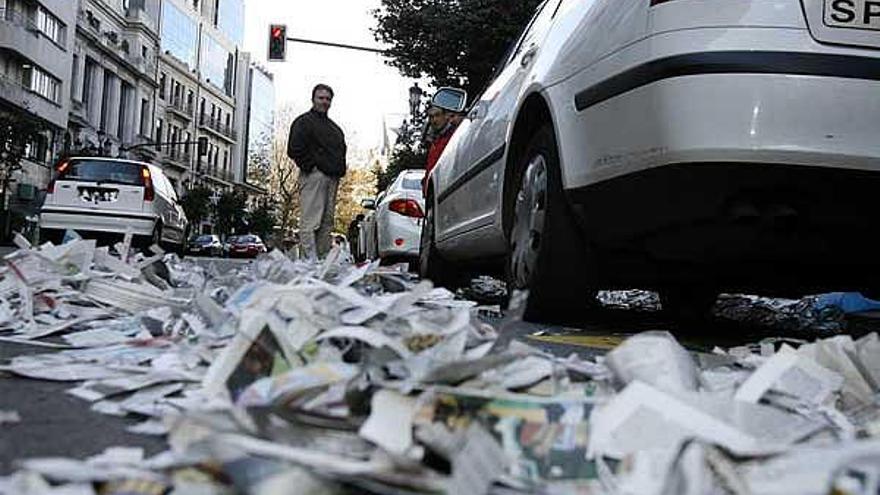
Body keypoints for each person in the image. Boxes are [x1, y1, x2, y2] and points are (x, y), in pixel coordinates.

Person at [288, 84, 347, 260]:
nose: (324, 102)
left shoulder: (335, 129)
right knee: (310, 222)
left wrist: (338, 172)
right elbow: (294, 149)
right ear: (313, 99)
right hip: (314, 176)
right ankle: (309, 262)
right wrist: (312, 167)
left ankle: (322, 261)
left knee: (326, 223)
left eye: (328, 98)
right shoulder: (303, 122)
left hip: (332, 178)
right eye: (321, 98)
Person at [423, 104, 463, 193]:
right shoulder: (434, 142)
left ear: (446, 116)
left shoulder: (454, 137)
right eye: (431, 117)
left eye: (437, 115)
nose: (434, 120)